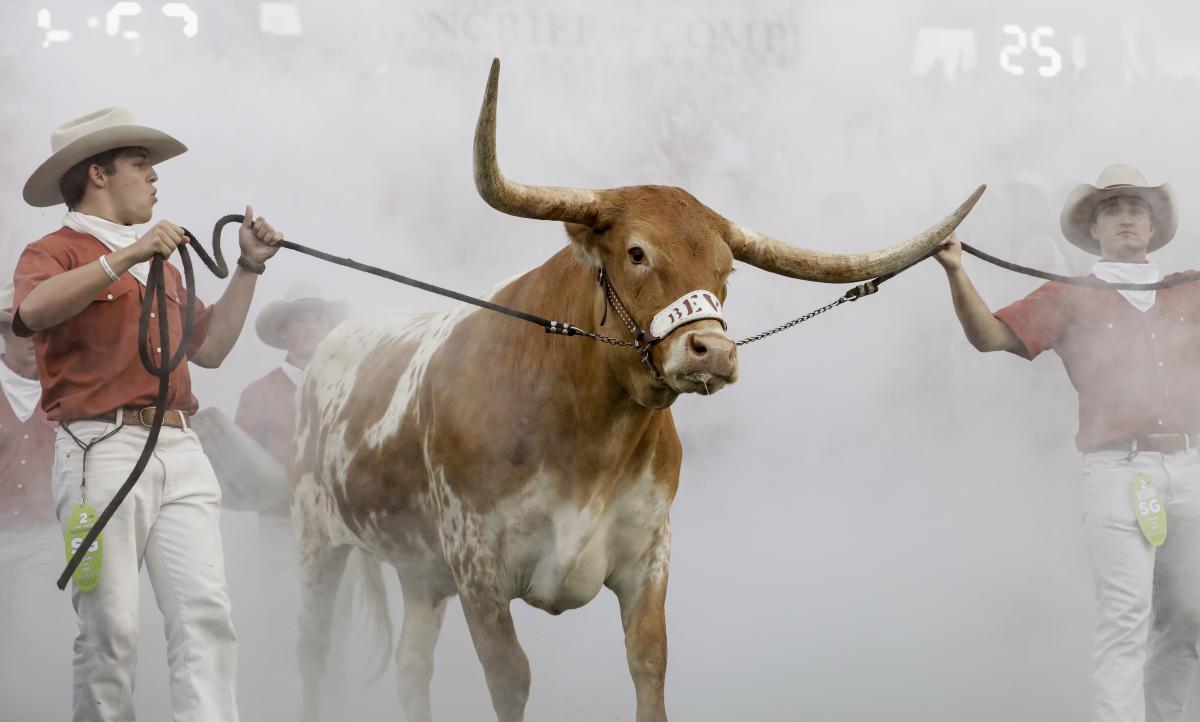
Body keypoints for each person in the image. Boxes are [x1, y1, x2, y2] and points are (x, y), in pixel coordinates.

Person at [12, 106, 284, 721]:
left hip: (180, 448)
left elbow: (210, 349)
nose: (155, 179)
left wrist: (249, 266)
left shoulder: (158, 257)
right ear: (98, 174)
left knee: (206, 616)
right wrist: (129, 254)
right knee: (111, 629)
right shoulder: (52, 250)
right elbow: (31, 313)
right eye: (142, 166)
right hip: (98, 450)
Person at [936, 163, 1200, 722]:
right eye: (1113, 209)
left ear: (1152, 228)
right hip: (1117, 473)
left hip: (1190, 465)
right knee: (1126, 616)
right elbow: (988, 336)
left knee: (1190, 619)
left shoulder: (1191, 286)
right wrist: (956, 271)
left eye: (1137, 209)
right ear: (1094, 228)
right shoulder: (1068, 296)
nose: (1127, 218)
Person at [0, 278, 73, 721]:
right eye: (20, 329)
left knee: (37, 633)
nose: (32, 341)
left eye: (41, 329)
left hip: (46, 538)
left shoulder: (70, 394)